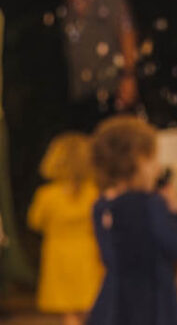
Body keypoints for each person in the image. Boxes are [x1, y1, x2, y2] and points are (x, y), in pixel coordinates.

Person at [87, 116, 177, 325]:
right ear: (137, 161)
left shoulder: (102, 207)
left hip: (115, 302)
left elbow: (108, 256)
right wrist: (176, 212)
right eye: (153, 160)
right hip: (153, 303)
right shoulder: (150, 204)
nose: (158, 168)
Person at [54, 0, 140, 132]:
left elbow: (126, 31)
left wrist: (129, 75)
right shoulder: (64, 3)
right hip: (81, 93)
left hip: (112, 88)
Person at [28, 133, 104, 325]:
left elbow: (35, 222)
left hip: (58, 256)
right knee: (89, 306)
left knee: (69, 312)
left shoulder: (46, 195)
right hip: (89, 254)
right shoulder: (95, 192)